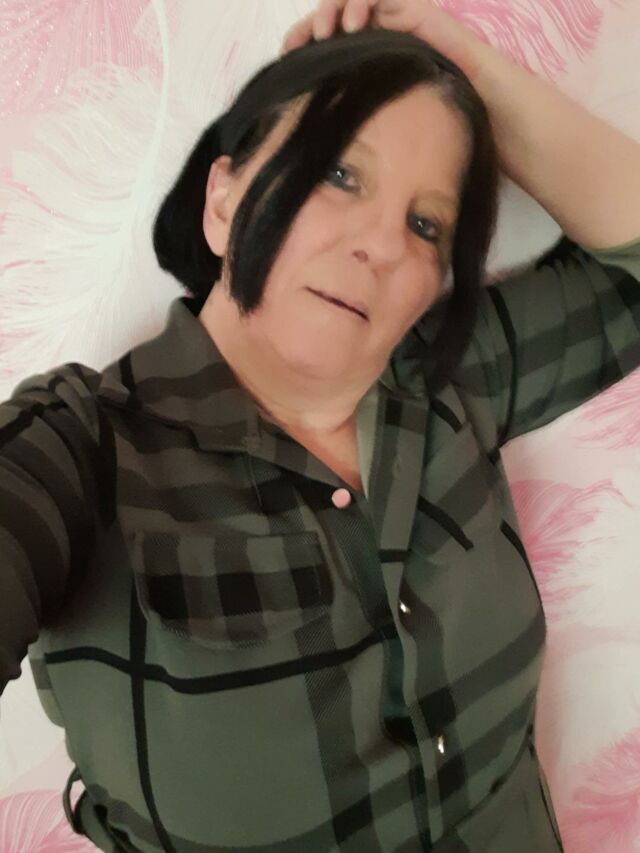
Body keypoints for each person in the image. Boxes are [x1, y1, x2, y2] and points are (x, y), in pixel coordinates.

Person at [1, 0, 639, 849]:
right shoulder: (84, 448)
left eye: (426, 224)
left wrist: (470, 77)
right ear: (222, 199)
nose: (383, 243)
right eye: (340, 173)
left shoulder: (455, 378)